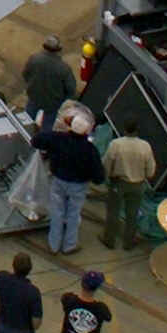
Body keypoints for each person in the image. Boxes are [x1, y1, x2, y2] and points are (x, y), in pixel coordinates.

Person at [35, 108, 103, 256]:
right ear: (86, 131)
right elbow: (98, 174)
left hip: (59, 180)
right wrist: (97, 179)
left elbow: (37, 140)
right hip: (78, 185)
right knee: (73, 214)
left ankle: (53, 245)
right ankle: (69, 245)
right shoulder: (90, 150)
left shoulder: (59, 139)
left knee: (56, 212)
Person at [101, 121, 155, 251]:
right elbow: (151, 171)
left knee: (113, 212)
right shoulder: (145, 146)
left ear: (124, 129)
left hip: (118, 183)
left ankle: (109, 240)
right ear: (137, 130)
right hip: (138, 185)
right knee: (133, 214)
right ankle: (128, 243)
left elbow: (106, 163)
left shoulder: (116, 144)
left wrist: (108, 177)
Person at [22, 34, 78, 121]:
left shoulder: (34, 59)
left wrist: (32, 87)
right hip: (53, 103)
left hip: (34, 97)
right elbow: (71, 89)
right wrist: (62, 100)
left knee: (26, 121)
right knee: (47, 127)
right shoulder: (63, 68)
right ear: (58, 50)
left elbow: (25, 74)